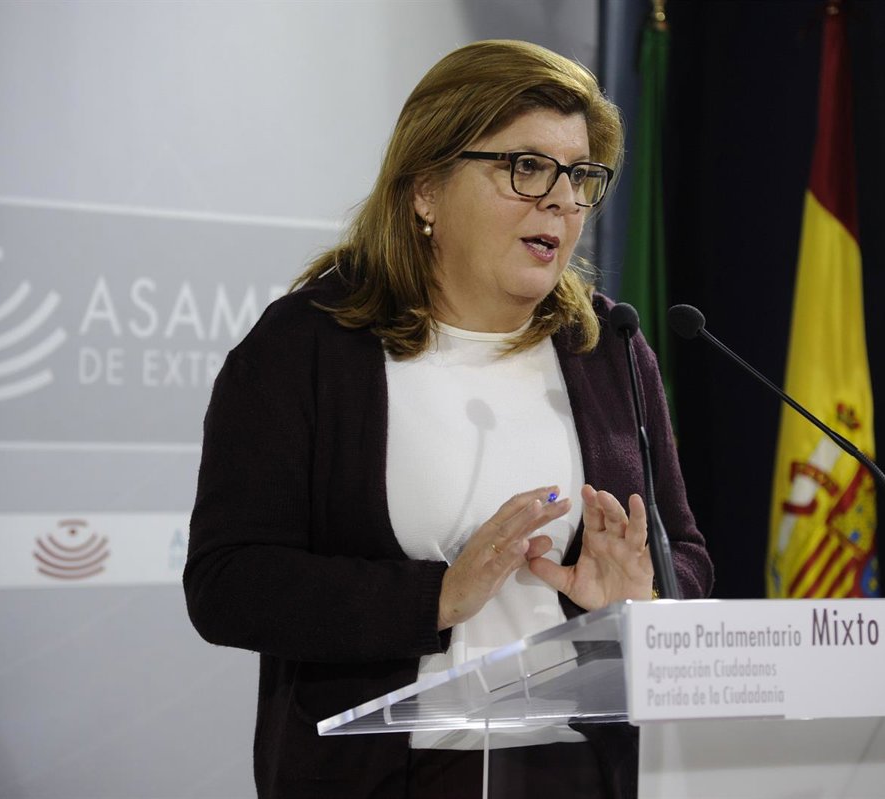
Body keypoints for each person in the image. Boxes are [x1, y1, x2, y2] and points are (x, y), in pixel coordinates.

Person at [184, 39, 712, 799]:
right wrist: (434, 598)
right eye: (526, 167)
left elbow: (683, 554)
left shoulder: (607, 348)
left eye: (580, 176)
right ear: (426, 188)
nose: (562, 201)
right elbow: (228, 583)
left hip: (585, 771)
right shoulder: (309, 347)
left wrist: (638, 601)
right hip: (386, 777)